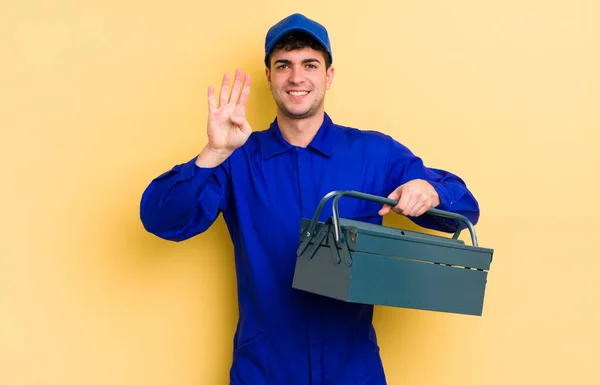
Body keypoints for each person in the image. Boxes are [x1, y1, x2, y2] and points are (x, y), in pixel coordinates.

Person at [140, 12, 480, 385]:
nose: (296, 77)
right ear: (269, 76)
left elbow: (464, 209)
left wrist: (431, 192)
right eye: (283, 65)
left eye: (310, 64)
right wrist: (212, 152)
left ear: (329, 75)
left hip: (353, 371)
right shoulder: (235, 159)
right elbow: (161, 219)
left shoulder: (374, 152)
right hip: (265, 371)